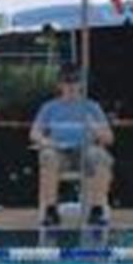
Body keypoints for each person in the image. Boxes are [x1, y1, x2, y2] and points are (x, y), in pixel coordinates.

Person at [30, 62, 114, 227]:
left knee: (101, 157)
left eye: (75, 82)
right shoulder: (49, 108)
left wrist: (94, 127)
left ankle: (97, 209)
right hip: (59, 151)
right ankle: (51, 210)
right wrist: (45, 141)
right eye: (67, 82)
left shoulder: (91, 107)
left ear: (81, 85)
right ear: (60, 85)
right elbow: (34, 133)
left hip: (85, 151)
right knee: (48, 156)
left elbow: (109, 138)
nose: (71, 87)